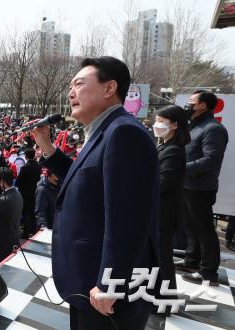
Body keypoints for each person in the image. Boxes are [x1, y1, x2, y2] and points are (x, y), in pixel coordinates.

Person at [32, 56, 159, 329]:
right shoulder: (104, 130)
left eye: (79, 83)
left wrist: (110, 282)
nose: (71, 92)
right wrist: (47, 146)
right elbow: (82, 180)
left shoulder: (124, 133)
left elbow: (129, 221)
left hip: (104, 293)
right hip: (87, 282)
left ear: (109, 88)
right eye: (70, 86)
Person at [177, 90, 229, 286]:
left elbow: (212, 160)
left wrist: (180, 168)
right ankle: (192, 261)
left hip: (200, 188)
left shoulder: (213, 129)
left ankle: (208, 272)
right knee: (190, 226)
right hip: (187, 184)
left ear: (203, 106)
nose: (188, 105)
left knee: (204, 229)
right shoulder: (193, 126)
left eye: (192, 102)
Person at [152, 105, 190, 302]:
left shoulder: (174, 151)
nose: (156, 125)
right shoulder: (164, 145)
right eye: (156, 120)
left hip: (164, 213)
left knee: (163, 259)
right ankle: (159, 296)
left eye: (162, 121)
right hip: (159, 212)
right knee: (158, 258)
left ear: (175, 125)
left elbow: (163, 183)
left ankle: (166, 300)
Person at [15, 148, 41, 238]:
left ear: (25, 157)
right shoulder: (38, 166)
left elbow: (18, 181)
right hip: (35, 191)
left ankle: (26, 232)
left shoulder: (24, 167)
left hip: (25, 193)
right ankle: (33, 231)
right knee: (33, 212)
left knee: (25, 212)